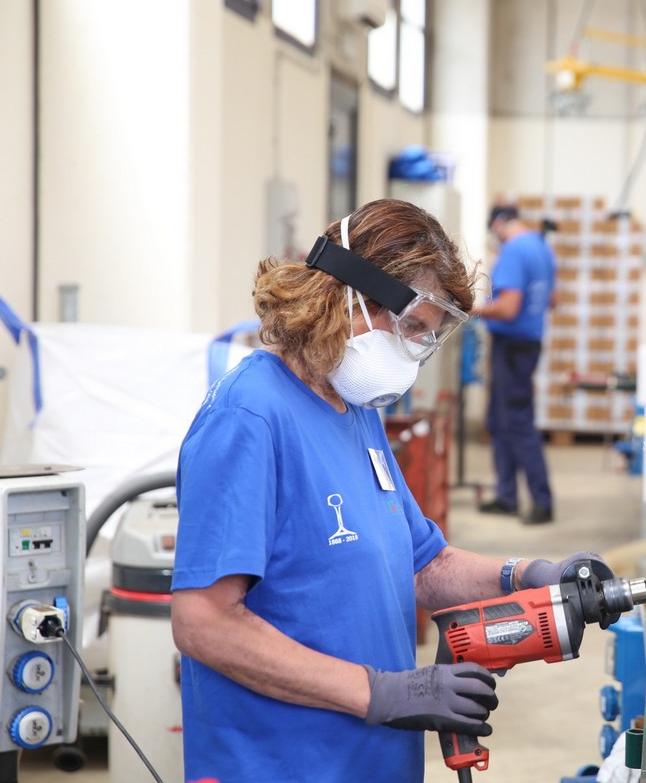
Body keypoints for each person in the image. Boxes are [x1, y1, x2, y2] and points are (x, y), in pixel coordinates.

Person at [171, 198, 602, 783]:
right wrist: (381, 692)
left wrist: (526, 576)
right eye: (411, 327)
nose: (415, 351)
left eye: (429, 336)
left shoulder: (354, 407)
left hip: (373, 761)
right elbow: (204, 623)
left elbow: (421, 564)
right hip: (284, 764)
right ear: (348, 294)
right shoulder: (249, 417)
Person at [473, 203, 557, 525]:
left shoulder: (513, 250)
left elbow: (508, 308)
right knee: (499, 420)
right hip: (528, 343)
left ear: (497, 225)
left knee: (518, 422)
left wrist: (467, 308)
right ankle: (506, 496)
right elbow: (552, 300)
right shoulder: (541, 247)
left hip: (512, 348)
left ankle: (542, 501)